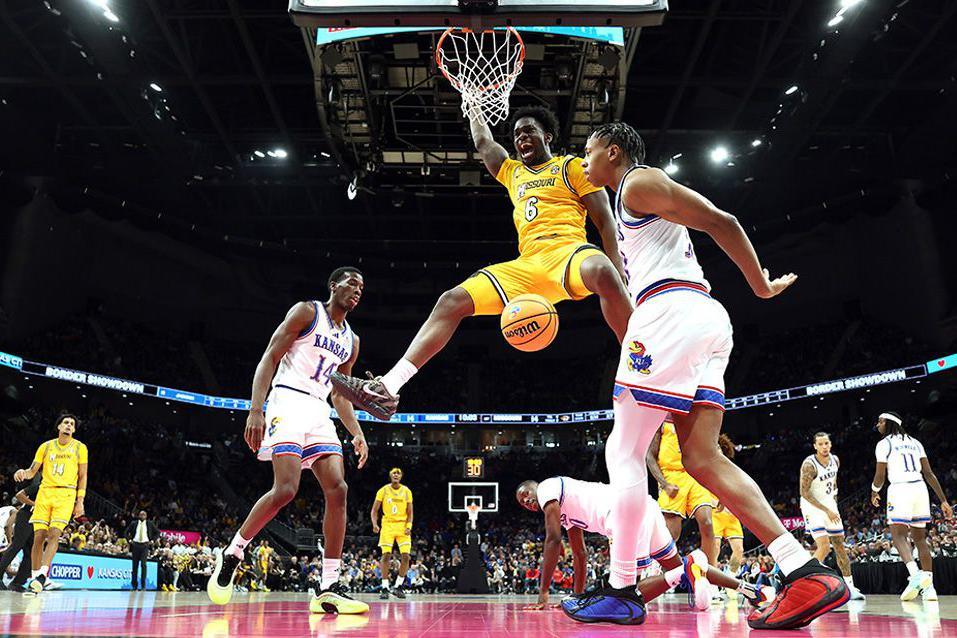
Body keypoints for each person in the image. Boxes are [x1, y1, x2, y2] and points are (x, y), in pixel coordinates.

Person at [567, 121, 848, 629]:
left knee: (624, 451)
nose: (582, 160)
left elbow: (723, 221)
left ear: (613, 151)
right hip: (699, 320)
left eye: (587, 152)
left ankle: (620, 588)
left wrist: (760, 285)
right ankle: (804, 569)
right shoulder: (629, 205)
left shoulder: (638, 182)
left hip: (672, 313)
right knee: (701, 456)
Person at [330, 106, 633, 420]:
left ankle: (640, 361)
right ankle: (387, 388)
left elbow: (605, 221)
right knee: (451, 301)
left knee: (602, 271)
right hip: (527, 266)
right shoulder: (512, 171)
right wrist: (473, 103)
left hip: (567, 252)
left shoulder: (569, 166)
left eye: (528, 130)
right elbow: (484, 143)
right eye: (516, 134)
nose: (521, 137)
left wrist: (621, 273)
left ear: (547, 136)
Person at [206, 267, 370, 615]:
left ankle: (328, 586)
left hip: (319, 410)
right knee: (286, 489)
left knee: (338, 489)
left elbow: (340, 395)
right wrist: (256, 410)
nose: (357, 290)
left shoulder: (351, 341)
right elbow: (270, 357)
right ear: (333, 285)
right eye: (351, 283)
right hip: (287, 399)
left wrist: (356, 432)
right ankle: (234, 551)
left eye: (362, 287)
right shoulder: (307, 312)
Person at [515, 478, 771, 621]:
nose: (526, 501)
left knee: (627, 596)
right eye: (522, 503)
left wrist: (544, 593)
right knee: (679, 567)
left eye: (526, 494)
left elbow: (552, 540)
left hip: (623, 515)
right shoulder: (563, 512)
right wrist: (577, 599)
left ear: (535, 487)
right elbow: (580, 555)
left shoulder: (548, 487)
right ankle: (750, 589)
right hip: (644, 508)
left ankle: (687, 569)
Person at [870, 411, 953, 601]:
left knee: (898, 534)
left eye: (880, 421)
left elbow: (880, 476)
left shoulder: (884, 444)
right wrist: (943, 500)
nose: (878, 425)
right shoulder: (916, 443)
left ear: (889, 423)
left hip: (900, 489)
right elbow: (929, 474)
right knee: (920, 539)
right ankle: (929, 588)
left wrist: (874, 490)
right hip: (920, 489)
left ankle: (915, 575)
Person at [13, 412, 88, 594]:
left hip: (66, 494)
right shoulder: (46, 447)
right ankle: (35, 578)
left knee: (54, 533)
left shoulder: (80, 448)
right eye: (66, 423)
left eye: (72, 424)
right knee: (38, 537)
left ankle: (42, 575)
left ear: (74, 429)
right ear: (59, 427)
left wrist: (80, 502)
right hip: (45, 493)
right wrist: (23, 472)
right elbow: (32, 472)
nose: (69, 425)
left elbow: (83, 476)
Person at [799, 432, 865, 600]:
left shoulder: (835, 460)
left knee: (839, 546)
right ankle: (805, 585)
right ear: (815, 446)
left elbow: (833, 483)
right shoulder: (809, 465)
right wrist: (826, 510)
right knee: (824, 546)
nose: (824, 447)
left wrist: (832, 504)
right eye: (820, 444)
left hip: (829, 504)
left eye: (826, 443)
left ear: (830, 444)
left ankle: (850, 587)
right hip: (811, 506)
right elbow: (804, 492)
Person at [647, 421, 717, 566]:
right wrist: (665, 485)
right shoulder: (661, 421)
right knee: (671, 535)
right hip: (672, 477)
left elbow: (712, 452)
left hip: (695, 473)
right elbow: (649, 457)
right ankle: (655, 569)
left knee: (707, 523)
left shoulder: (697, 417)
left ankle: (710, 574)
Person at [711, 434, 746, 599]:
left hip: (731, 514)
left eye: (719, 447)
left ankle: (730, 581)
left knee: (739, 550)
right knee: (714, 549)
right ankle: (712, 586)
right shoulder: (706, 465)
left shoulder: (730, 467)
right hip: (714, 511)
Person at [371, 468, 413, 599]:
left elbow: (410, 512)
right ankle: (384, 587)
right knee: (386, 554)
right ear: (390, 476)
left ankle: (398, 586)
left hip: (402, 526)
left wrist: (409, 526)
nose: (396, 475)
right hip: (388, 524)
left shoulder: (406, 491)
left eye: (398, 473)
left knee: (406, 556)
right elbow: (374, 511)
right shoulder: (383, 491)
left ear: (401, 476)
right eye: (394, 473)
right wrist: (374, 524)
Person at [0, 478, 40, 592]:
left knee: (31, 551)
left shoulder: (55, 494)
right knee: (16, 546)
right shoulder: (39, 486)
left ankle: (18, 582)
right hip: (26, 515)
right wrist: (34, 504)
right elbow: (19, 495)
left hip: (36, 520)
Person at [125, 510, 160, 590]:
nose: (142, 516)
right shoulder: (134, 523)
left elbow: (157, 532)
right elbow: (126, 532)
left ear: (146, 516)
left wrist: (152, 541)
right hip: (135, 545)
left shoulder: (149, 524)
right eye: (141, 514)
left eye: (144, 514)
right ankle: (134, 585)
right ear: (138, 515)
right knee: (135, 566)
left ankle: (143, 585)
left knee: (143, 565)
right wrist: (129, 540)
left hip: (145, 545)